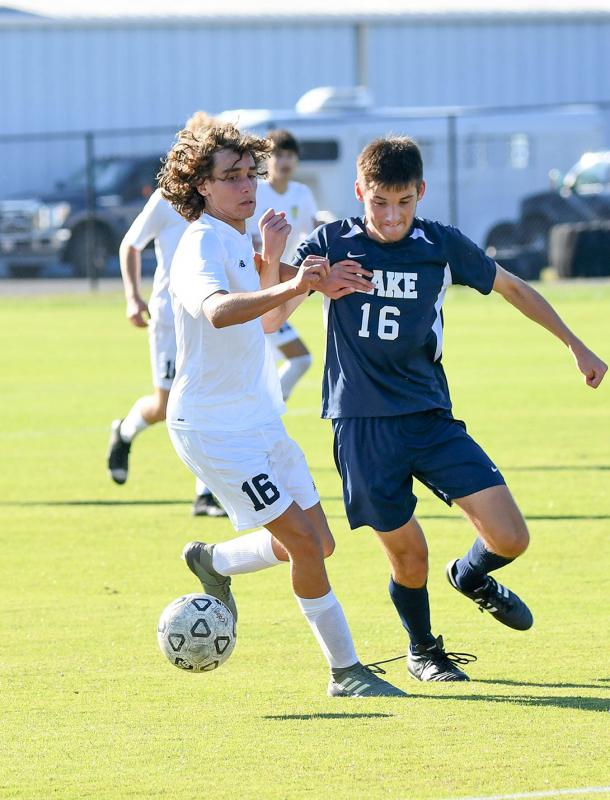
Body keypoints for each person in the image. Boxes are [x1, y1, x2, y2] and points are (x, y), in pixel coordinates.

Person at [287, 136, 607, 682]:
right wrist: (305, 279)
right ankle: (423, 650)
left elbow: (512, 288)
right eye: (379, 203)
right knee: (410, 556)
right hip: (362, 427)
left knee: (511, 537)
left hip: (430, 417)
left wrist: (574, 343)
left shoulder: (440, 244)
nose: (391, 217)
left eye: (404, 203)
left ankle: (472, 576)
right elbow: (273, 317)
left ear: (420, 194)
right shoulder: (329, 243)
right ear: (360, 192)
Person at [157, 121, 405, 697]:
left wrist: (284, 269)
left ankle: (215, 560)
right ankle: (346, 671)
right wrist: (297, 279)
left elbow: (268, 323)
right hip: (214, 428)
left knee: (319, 543)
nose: (248, 187)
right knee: (300, 543)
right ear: (200, 186)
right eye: (232, 178)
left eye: (251, 174)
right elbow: (220, 311)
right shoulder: (199, 243)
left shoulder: (239, 240)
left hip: (259, 419)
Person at [106, 111, 227, 517]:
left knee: (204, 400)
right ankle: (124, 432)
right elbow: (130, 245)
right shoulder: (166, 201)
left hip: (211, 314)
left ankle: (205, 495)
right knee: (166, 405)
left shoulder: (224, 202)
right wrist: (132, 297)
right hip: (169, 317)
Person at [246, 129, 318, 401]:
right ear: (267, 159)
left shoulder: (302, 193)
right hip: (251, 289)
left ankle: (263, 407)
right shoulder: (254, 192)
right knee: (299, 359)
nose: (284, 161)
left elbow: (313, 234)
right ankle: (267, 406)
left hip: (277, 287)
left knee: (268, 362)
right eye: (278, 155)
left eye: (290, 155)